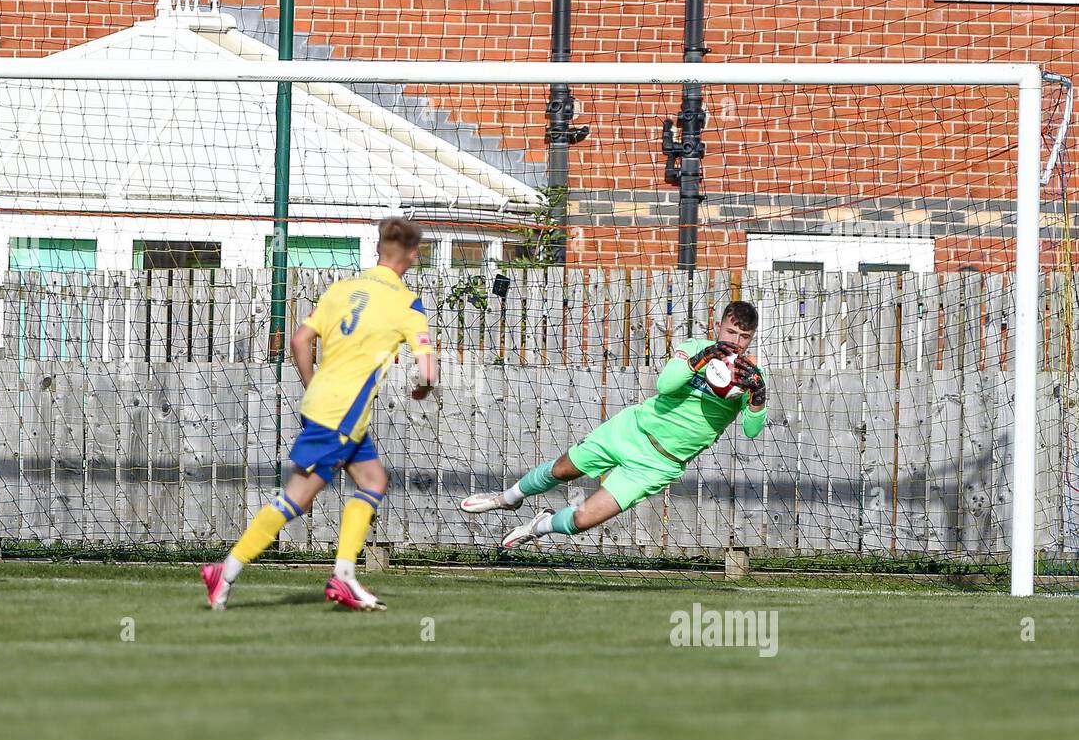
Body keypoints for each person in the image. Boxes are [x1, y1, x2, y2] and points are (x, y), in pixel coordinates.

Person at [200, 217, 437, 611]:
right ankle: (224, 572)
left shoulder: (342, 289)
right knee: (299, 497)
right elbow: (428, 371)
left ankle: (344, 574)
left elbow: (299, 340)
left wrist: (314, 384)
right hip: (342, 414)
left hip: (327, 405)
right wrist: (422, 387)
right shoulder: (406, 303)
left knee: (374, 480)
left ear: (378, 249)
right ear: (413, 256)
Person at [462, 301, 767, 550]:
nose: (736, 343)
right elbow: (665, 385)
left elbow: (752, 430)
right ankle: (507, 498)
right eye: (730, 333)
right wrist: (701, 359)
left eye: (744, 337)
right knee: (562, 470)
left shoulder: (750, 376)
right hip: (630, 431)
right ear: (718, 327)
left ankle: (538, 526)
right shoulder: (694, 347)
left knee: (582, 520)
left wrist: (758, 396)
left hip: (658, 464)